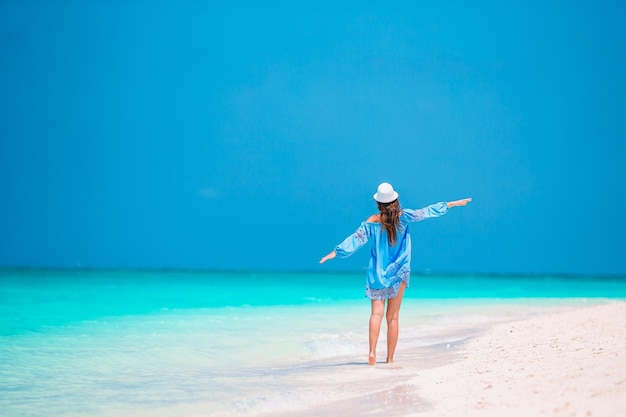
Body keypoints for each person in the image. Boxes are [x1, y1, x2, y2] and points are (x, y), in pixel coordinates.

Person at [319, 182, 471, 365]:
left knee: (376, 314)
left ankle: (372, 352)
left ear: (378, 204)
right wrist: (451, 204)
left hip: (377, 274)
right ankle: (390, 359)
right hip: (399, 272)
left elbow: (355, 240)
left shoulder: (371, 222)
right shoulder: (404, 217)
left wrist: (335, 252)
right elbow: (426, 212)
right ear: (395, 200)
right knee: (393, 317)